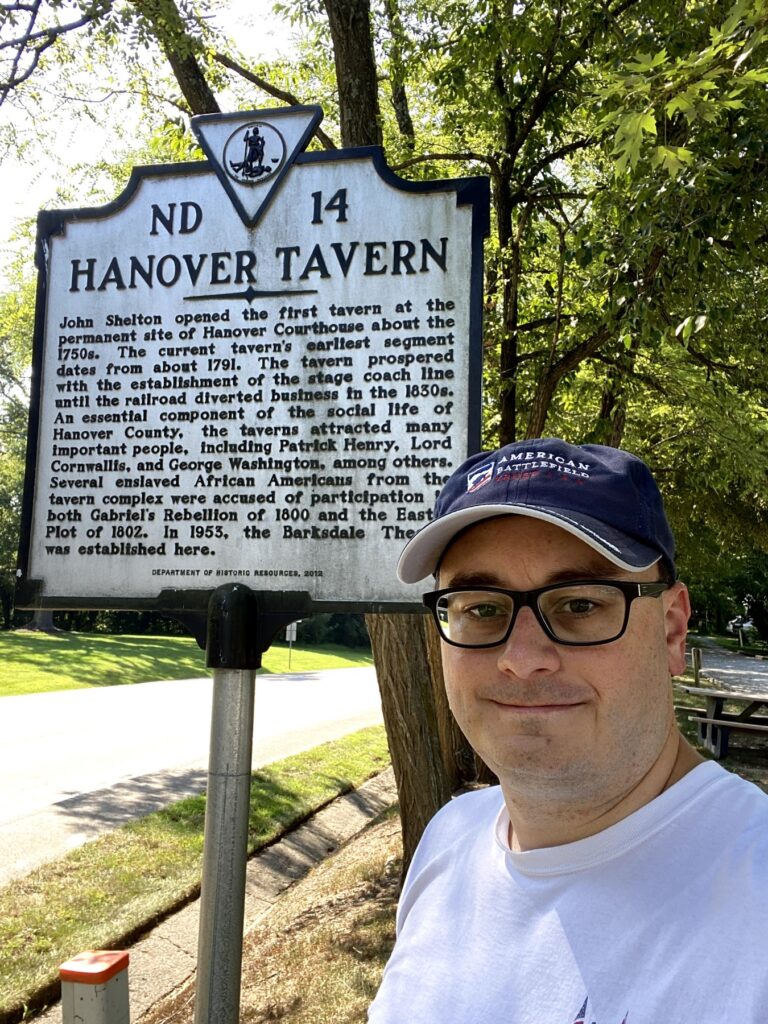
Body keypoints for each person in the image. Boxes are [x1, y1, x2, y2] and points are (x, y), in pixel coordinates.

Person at [368, 438, 768, 1024]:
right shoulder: (448, 841)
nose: (522, 657)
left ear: (672, 630)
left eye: (579, 605)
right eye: (481, 608)